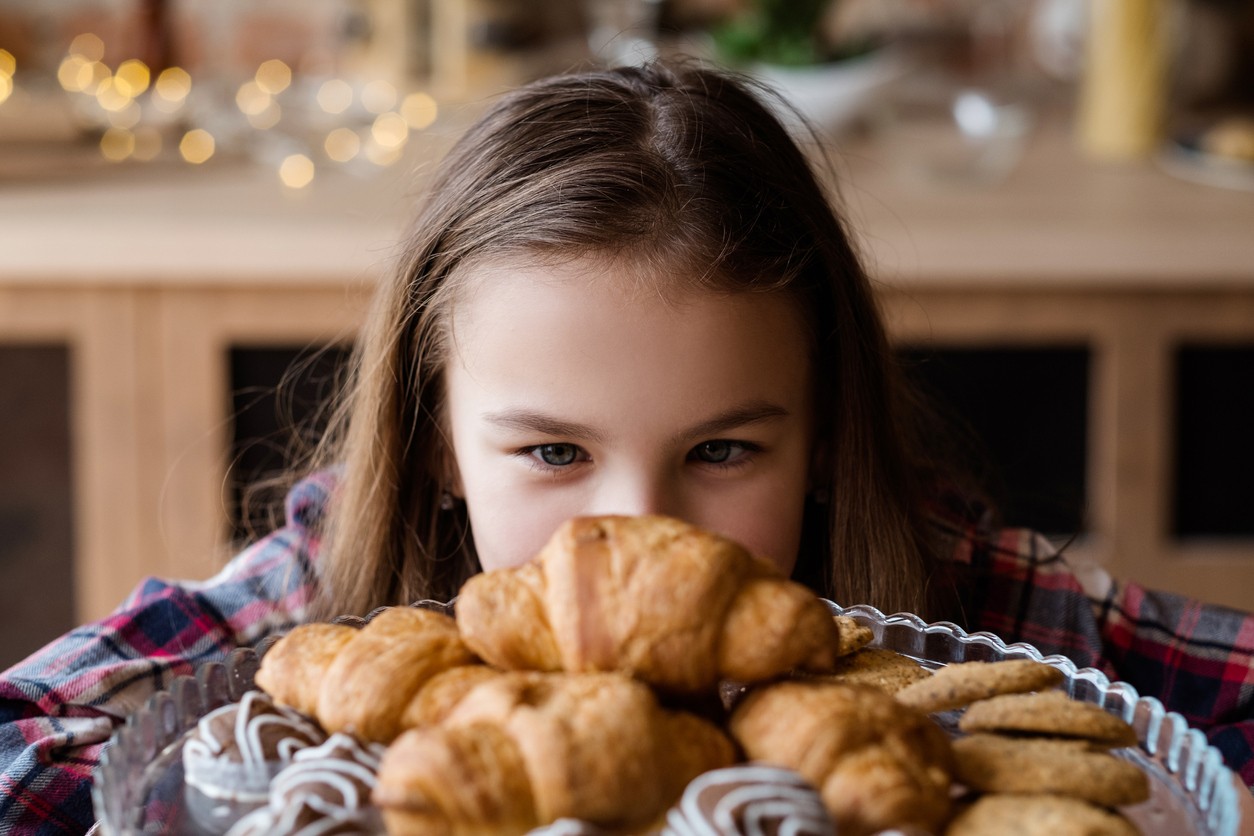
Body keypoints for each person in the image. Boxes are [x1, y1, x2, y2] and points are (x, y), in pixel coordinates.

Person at [1, 58, 1251, 834]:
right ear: (438, 440)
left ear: (822, 438)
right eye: (552, 453)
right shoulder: (334, 609)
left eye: (722, 450)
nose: (644, 529)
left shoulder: (950, 595)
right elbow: (25, 742)